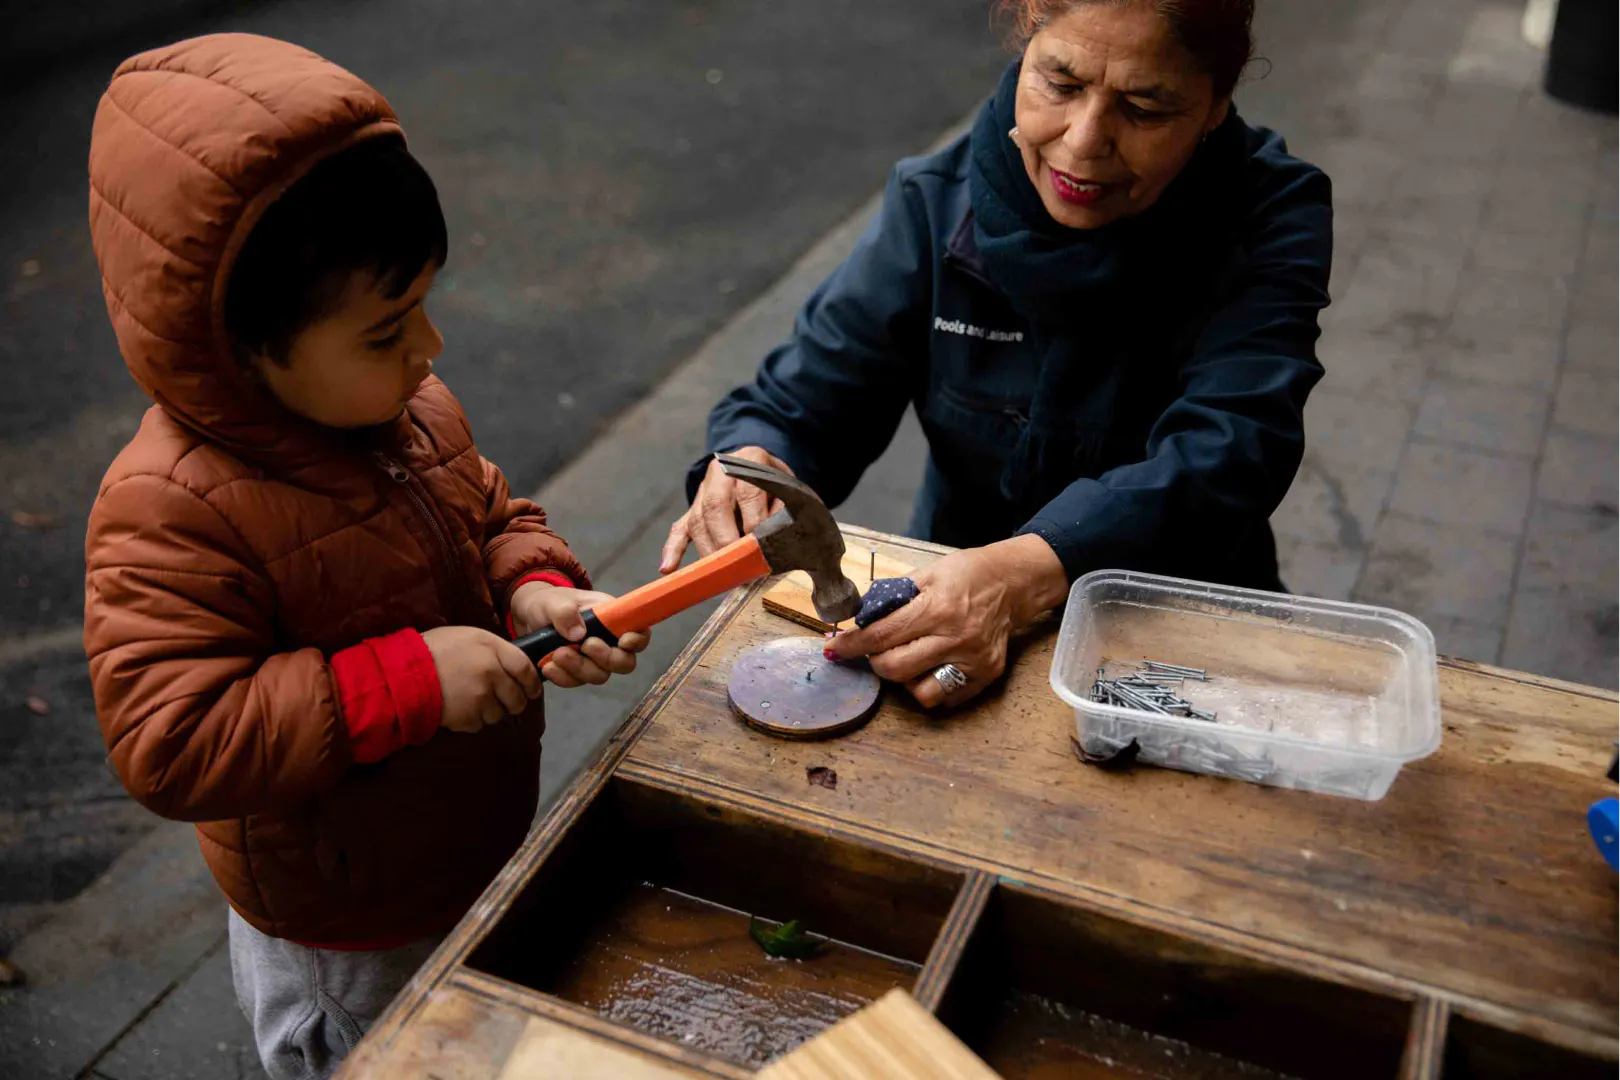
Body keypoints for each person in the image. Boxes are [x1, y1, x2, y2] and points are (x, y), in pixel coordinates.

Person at [81, 33, 646, 1080]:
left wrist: (537, 587)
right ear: (236, 350)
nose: (429, 349)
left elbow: (485, 510)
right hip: (346, 926)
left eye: (424, 305)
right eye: (387, 329)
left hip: (464, 846)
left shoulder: (410, 410)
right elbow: (172, 739)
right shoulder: (169, 506)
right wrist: (411, 681)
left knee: (471, 1042)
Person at [664, 0, 1331, 711]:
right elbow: (802, 401)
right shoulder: (934, 201)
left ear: (1215, 107)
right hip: (942, 611)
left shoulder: (1269, 214)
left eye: (1144, 108)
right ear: (1024, 46)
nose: (1083, 142)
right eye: (1061, 84)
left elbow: (1233, 448)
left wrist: (1027, 574)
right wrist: (756, 462)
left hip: (1180, 627)